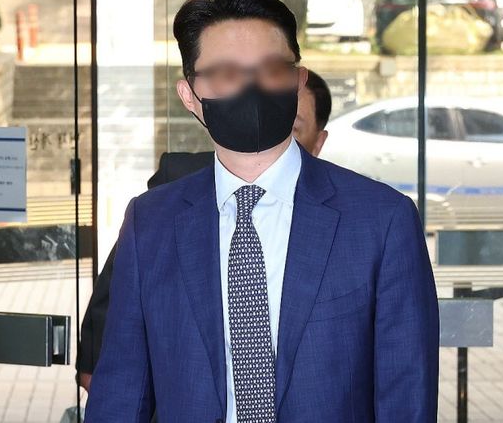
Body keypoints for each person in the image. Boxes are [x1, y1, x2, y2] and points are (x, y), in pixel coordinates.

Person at [85, 0, 439, 422]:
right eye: (227, 74)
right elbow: (121, 391)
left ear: (298, 80)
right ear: (190, 96)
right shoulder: (151, 222)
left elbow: (406, 392)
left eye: (271, 69)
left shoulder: (381, 220)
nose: (251, 88)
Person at [76, 69, 333, 392]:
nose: (272, 130)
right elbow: (116, 298)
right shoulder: (177, 185)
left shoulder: (345, 217)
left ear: (318, 142)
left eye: (292, 127)